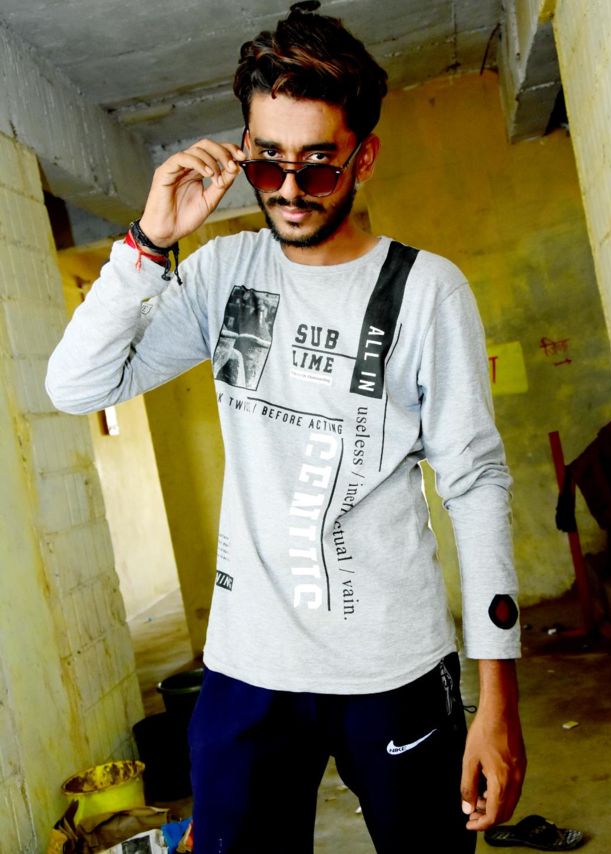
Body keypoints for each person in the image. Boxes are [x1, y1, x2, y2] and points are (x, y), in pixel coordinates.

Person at [46, 6, 526, 852]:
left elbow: (476, 484)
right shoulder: (224, 273)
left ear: (363, 157)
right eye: (268, 163)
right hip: (248, 670)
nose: (291, 190)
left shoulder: (426, 292)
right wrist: (149, 241)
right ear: (244, 149)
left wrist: (499, 700)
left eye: (318, 164)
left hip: (393, 666)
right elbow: (77, 383)